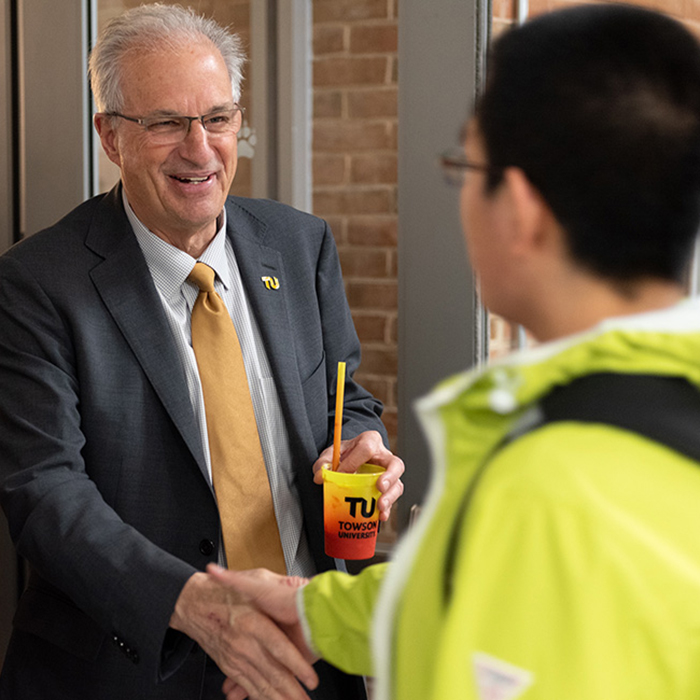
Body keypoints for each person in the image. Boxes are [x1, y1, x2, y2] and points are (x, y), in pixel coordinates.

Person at [211, 4, 700, 699]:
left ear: (521, 209)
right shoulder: (644, 421)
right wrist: (315, 614)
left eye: (464, 164)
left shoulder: (546, 492)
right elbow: (485, 589)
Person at [0, 4, 404, 700]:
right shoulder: (38, 283)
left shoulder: (300, 245)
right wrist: (198, 606)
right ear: (111, 137)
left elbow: (346, 398)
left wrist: (364, 443)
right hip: (135, 668)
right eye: (165, 123)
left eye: (217, 118)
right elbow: (44, 494)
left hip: (308, 651)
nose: (199, 147)